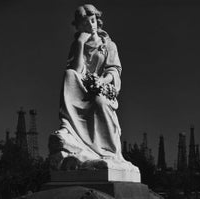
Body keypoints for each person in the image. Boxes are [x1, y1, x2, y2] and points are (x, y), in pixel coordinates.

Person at [49, 4, 138, 172]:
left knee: (98, 102)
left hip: (101, 88)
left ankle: (107, 151)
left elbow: (114, 70)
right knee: (68, 74)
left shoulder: (108, 45)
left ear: (97, 20)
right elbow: (76, 71)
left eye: (93, 20)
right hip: (81, 88)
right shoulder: (77, 44)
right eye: (86, 23)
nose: (91, 25)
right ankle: (69, 129)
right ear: (79, 26)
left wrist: (102, 81)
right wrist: (80, 44)